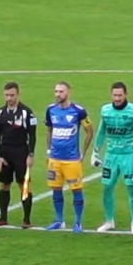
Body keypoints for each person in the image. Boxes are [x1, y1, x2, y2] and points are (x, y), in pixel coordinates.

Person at [93, 82, 133, 234]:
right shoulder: (105, 110)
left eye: (120, 95)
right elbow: (101, 131)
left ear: (126, 94)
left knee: (131, 188)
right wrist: (95, 151)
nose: (117, 98)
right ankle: (109, 221)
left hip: (128, 156)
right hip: (111, 156)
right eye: (114, 95)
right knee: (107, 188)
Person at [43, 81, 92, 232]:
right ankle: (59, 220)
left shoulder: (79, 111)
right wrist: (48, 150)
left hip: (72, 160)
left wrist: (83, 152)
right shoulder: (51, 110)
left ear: (68, 93)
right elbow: (49, 130)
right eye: (56, 91)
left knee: (76, 190)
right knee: (56, 189)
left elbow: (89, 131)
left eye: (61, 91)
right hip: (55, 159)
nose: (58, 94)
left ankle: (78, 222)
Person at [0, 82, 39, 228]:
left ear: (18, 94)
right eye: (6, 95)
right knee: (4, 184)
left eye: (12, 95)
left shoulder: (27, 113)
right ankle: (3, 217)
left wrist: (30, 154)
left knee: (23, 185)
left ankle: (26, 219)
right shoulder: (0, 113)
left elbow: (32, 135)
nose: (9, 98)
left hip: (21, 152)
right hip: (5, 153)